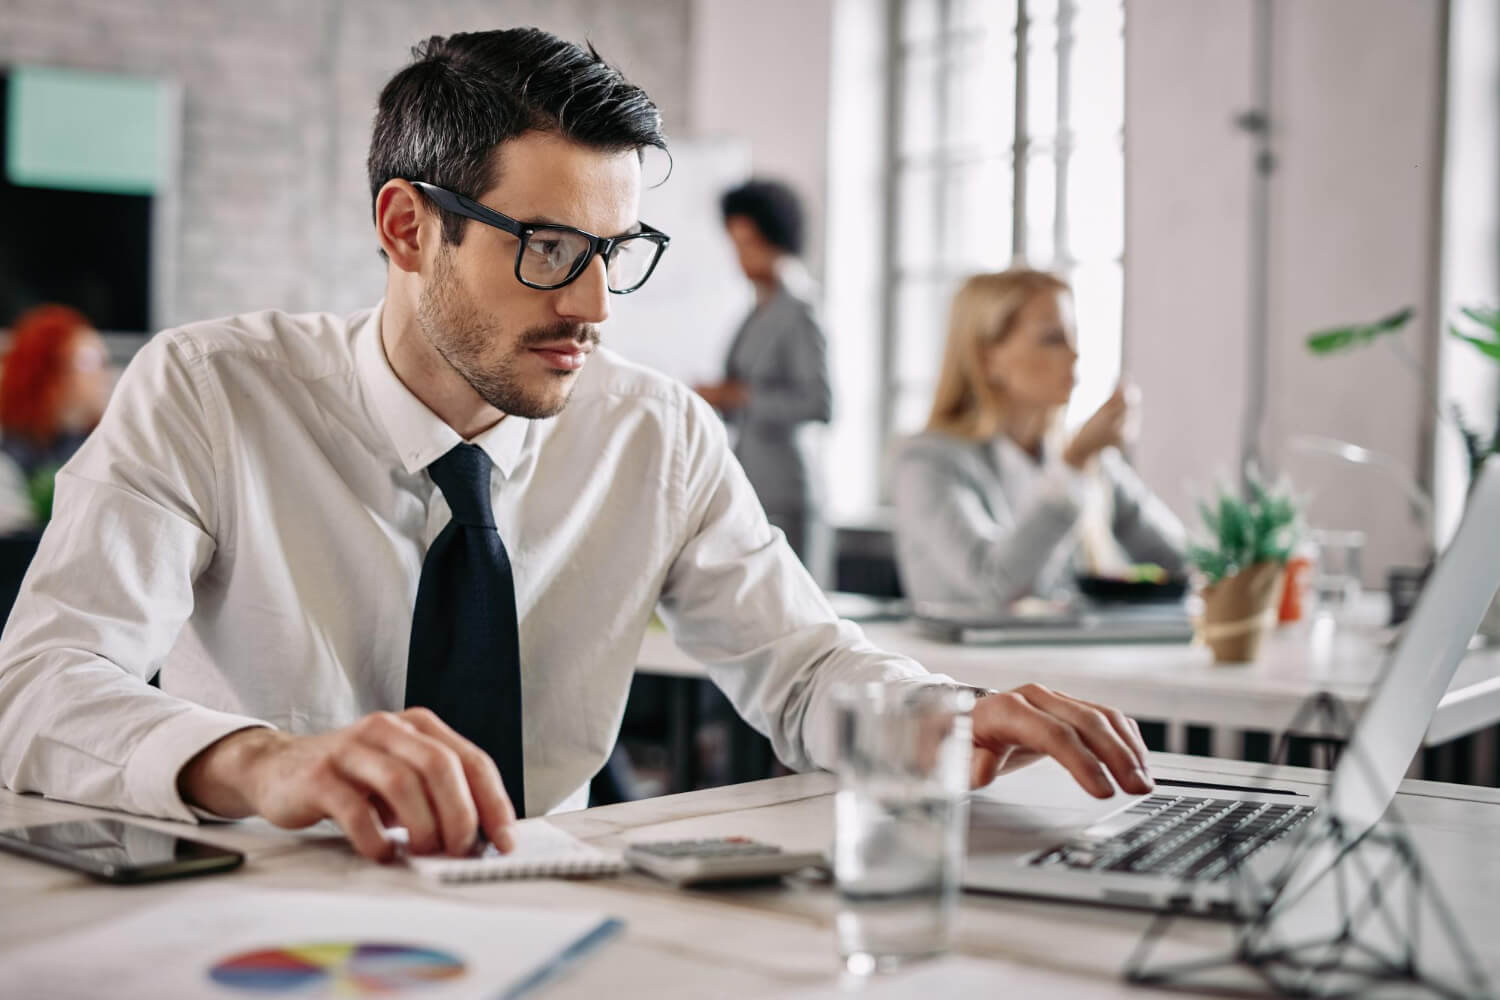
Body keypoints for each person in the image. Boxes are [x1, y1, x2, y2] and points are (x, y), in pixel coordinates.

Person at [0, 31, 1153, 864]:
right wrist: (265, 762)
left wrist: (938, 712)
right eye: (549, 246)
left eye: (618, 248)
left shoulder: (656, 433)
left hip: (554, 911)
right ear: (409, 228)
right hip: (264, 922)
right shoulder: (211, 391)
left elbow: (801, 669)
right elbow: (39, 687)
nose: (596, 304)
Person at [892, 269, 1187, 607]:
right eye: (1052, 338)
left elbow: (1184, 560)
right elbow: (993, 584)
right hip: (962, 660)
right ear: (988, 358)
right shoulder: (927, 463)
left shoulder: (1086, 458)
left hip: (1064, 658)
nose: (1075, 354)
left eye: (1074, 336)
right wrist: (1073, 466)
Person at [695, 180, 831, 577]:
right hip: (752, 481)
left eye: (747, 243)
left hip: (787, 490)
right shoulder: (758, 310)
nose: (738, 256)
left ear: (776, 240)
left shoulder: (799, 311)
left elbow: (819, 403)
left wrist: (739, 396)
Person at [0, 304, 111, 481]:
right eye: (93, 362)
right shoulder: (12, 463)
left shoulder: (102, 449)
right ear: (51, 371)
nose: (104, 375)